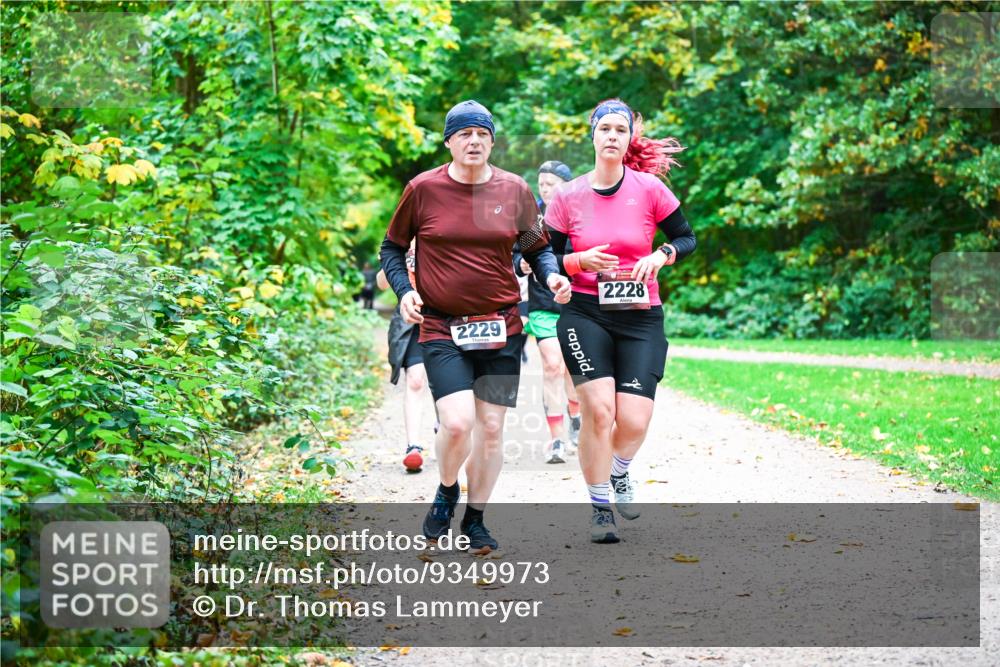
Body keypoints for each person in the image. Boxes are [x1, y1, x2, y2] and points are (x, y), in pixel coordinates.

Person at [379, 100, 571, 553]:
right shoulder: (423, 189)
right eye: (464, 133)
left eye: (483, 134)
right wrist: (405, 291)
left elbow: (536, 247)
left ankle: (476, 521)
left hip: (501, 326)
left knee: (490, 429)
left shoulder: (514, 190)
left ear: (492, 141)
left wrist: (552, 274)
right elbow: (392, 249)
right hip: (442, 326)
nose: (474, 141)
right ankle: (447, 489)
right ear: (449, 141)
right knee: (459, 422)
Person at [546, 99, 696, 543]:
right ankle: (599, 508)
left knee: (633, 420)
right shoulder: (566, 196)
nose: (611, 135)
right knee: (599, 410)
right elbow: (540, 256)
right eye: (604, 128)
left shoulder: (650, 190)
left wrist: (661, 254)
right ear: (592, 135)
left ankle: (619, 470)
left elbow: (686, 238)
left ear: (629, 138)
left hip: (640, 315)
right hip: (585, 313)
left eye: (620, 129)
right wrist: (575, 262)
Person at [513, 160, 582, 464]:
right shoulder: (533, 221)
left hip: (577, 304)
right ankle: (556, 440)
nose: (544, 188)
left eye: (550, 183)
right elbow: (516, 256)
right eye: (541, 183)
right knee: (553, 365)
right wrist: (522, 265)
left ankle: (576, 418)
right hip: (543, 305)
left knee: (571, 369)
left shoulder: (580, 216)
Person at [377, 244, 431, 472]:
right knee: (416, 380)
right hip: (412, 317)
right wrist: (388, 263)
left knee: (445, 380)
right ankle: (413, 447)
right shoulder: (398, 238)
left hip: (446, 315)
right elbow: (381, 283)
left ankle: (447, 430)